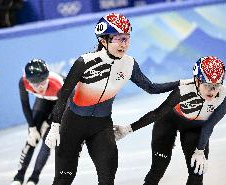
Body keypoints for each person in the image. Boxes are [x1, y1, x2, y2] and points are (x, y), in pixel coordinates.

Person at [44, 13, 187, 185]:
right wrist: (55, 126)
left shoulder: (129, 64)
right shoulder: (85, 61)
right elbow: (63, 94)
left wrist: (180, 83)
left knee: (107, 178)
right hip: (72, 125)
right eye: (119, 39)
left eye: (127, 38)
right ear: (103, 40)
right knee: (64, 178)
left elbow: (151, 88)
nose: (124, 44)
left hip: (101, 127)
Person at [114, 56, 226, 185]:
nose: (212, 91)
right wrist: (128, 129)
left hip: (194, 129)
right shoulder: (183, 90)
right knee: (158, 169)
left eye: (216, 86)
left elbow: (209, 126)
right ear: (197, 81)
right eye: (208, 85)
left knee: (197, 173)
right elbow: (157, 113)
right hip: (168, 123)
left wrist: (200, 151)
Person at [11, 59, 64, 185]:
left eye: (42, 83)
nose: (39, 87)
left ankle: (34, 178)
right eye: (35, 84)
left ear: (48, 78)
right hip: (43, 102)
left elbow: (65, 109)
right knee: (31, 140)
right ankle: (19, 176)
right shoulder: (23, 82)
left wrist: (52, 123)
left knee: (48, 141)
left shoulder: (59, 85)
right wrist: (32, 128)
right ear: (28, 81)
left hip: (62, 104)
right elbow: (25, 105)